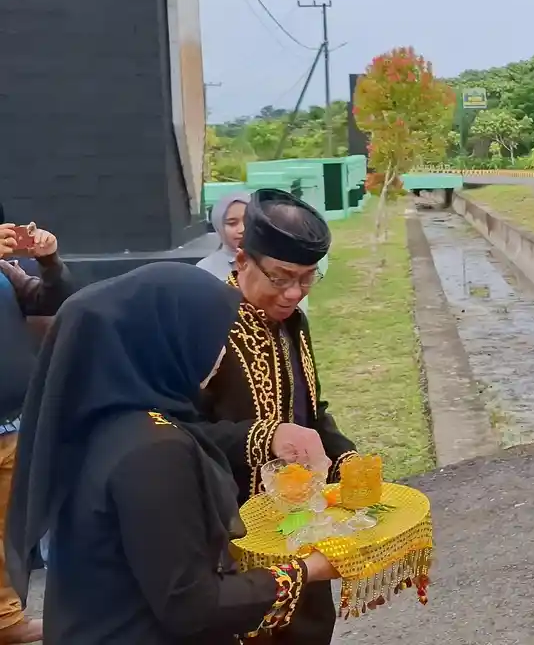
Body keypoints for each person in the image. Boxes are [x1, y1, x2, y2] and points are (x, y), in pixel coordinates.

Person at [4, 263, 341, 644]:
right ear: (167, 341)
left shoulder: (107, 422)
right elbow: (192, 604)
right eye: (214, 336)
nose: (221, 352)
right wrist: (308, 569)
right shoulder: (155, 452)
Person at [200, 189, 356, 644]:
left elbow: (310, 411)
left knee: (308, 631)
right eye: (282, 278)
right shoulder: (204, 324)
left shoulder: (292, 321)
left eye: (308, 279)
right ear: (243, 258)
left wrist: (345, 458)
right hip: (231, 533)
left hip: (300, 522)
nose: (293, 293)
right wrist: (263, 436)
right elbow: (174, 432)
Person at [0, 220, 72, 644]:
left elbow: (53, 299)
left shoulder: (6, 271)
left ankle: (7, 620)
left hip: (13, 423)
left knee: (10, 529)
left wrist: (48, 260)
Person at [196, 192, 250, 280]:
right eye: (232, 223)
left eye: (247, 220)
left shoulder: (271, 264)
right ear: (219, 227)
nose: (242, 229)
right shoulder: (205, 270)